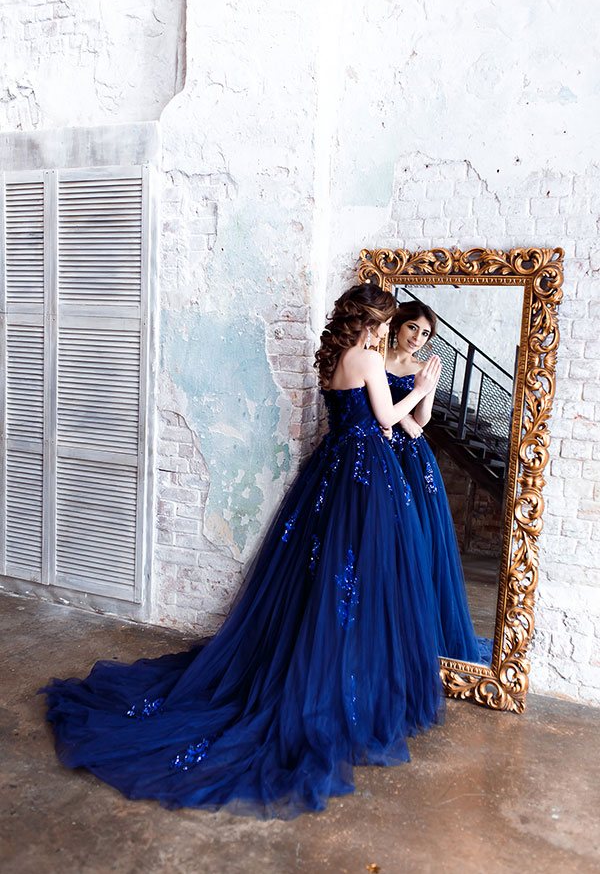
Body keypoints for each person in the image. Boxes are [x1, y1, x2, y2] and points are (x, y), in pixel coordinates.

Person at [40, 283, 445, 819]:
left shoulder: (336, 358)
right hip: (362, 476)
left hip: (334, 469)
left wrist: (414, 399)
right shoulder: (369, 358)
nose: (390, 330)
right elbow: (389, 421)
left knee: (324, 579)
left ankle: (331, 675)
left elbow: (373, 421)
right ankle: (342, 687)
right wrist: (423, 387)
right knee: (352, 581)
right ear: (372, 321)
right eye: (388, 320)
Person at [385, 300, 491, 664]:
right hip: (379, 449)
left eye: (425, 333)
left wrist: (425, 388)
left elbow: (423, 420)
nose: (417, 337)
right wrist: (401, 420)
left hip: (410, 458)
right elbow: (370, 406)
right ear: (398, 325)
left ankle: (410, 628)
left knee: (415, 537)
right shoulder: (375, 359)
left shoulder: (423, 368)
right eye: (412, 327)